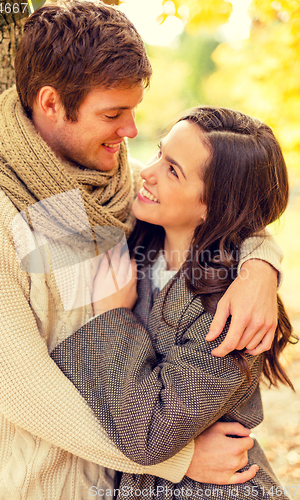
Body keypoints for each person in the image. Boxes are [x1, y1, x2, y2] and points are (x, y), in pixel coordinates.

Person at [0, 0, 283, 497]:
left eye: (134, 112)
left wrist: (261, 265)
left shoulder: (109, 183)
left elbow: (222, 210)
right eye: (114, 114)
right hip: (34, 483)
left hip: (114, 484)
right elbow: (24, 391)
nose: (132, 132)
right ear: (51, 104)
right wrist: (178, 458)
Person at [51, 106, 296, 499]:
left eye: (172, 170)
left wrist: (114, 314)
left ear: (215, 206)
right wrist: (264, 258)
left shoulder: (229, 315)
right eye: (159, 153)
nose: (146, 171)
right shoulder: (140, 238)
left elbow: (149, 434)